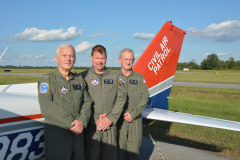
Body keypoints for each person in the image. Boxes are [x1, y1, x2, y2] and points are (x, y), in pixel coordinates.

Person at [38, 44, 92, 160]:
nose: (68, 59)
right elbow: (46, 107)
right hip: (58, 135)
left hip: (78, 134)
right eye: (64, 55)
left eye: (71, 56)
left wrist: (82, 121)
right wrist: (72, 123)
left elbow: (87, 102)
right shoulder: (47, 80)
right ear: (57, 58)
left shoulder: (79, 80)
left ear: (75, 59)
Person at [81, 45, 127, 160]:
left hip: (110, 126)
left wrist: (110, 118)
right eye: (97, 58)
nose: (100, 61)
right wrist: (95, 118)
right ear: (91, 58)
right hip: (92, 126)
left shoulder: (116, 76)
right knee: (91, 155)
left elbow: (121, 98)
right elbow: (80, 101)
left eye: (102, 58)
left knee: (110, 156)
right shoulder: (83, 77)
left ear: (106, 58)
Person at [117, 48, 149, 160]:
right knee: (118, 152)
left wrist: (134, 114)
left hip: (135, 120)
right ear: (119, 60)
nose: (128, 62)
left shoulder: (139, 78)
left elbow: (145, 97)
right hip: (119, 120)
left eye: (130, 59)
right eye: (125, 59)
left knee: (133, 152)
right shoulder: (114, 77)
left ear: (134, 60)